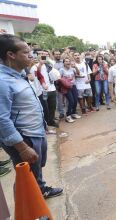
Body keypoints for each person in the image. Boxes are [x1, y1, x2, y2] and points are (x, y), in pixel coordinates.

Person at [0, 34, 62, 198]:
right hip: (23, 137)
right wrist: (22, 147)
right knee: (26, 176)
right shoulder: (3, 81)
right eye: (26, 52)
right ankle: (30, 210)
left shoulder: (18, 74)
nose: (31, 56)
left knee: (35, 170)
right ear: (11, 55)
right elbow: (2, 119)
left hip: (34, 132)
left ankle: (41, 191)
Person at [59, 57, 81, 123]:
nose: (68, 62)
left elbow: (78, 73)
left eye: (68, 61)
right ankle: (68, 116)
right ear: (64, 63)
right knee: (71, 101)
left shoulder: (72, 69)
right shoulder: (61, 70)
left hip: (73, 86)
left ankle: (73, 113)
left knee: (75, 100)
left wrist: (76, 67)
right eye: (66, 61)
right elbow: (59, 79)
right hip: (66, 88)